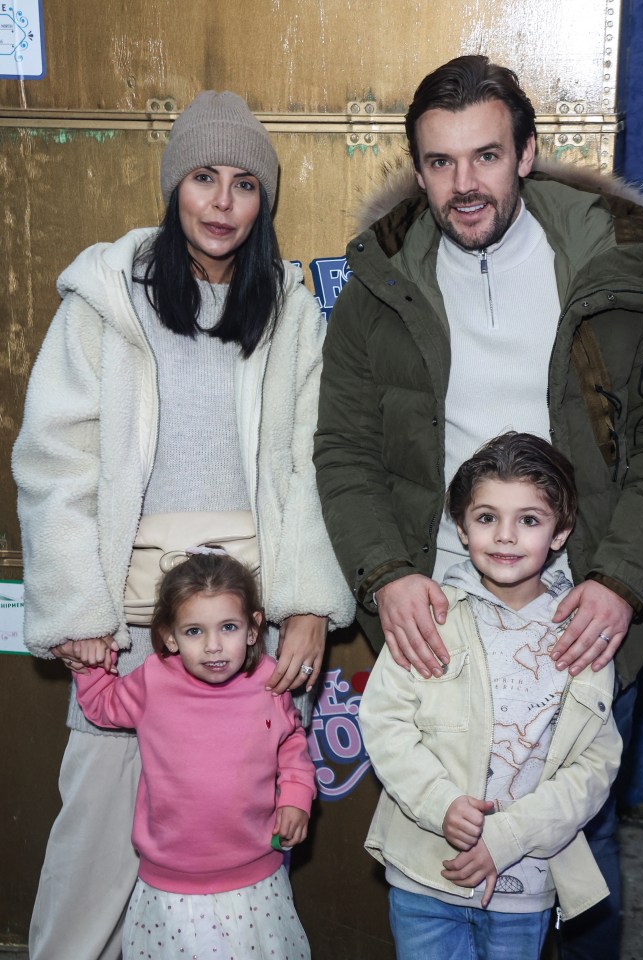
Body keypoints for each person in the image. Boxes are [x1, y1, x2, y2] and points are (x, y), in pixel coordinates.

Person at [314, 55, 643, 957]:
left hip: (583, 610)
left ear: (527, 152)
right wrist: (386, 578)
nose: (465, 185)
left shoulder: (619, 267)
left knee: (572, 843)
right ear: (417, 169)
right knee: (436, 842)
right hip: (436, 616)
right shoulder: (380, 283)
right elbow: (344, 450)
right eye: (442, 161)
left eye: (487, 156)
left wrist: (621, 583)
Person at [13, 90, 355, 960]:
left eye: (244, 184)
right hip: (125, 617)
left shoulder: (289, 309)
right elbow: (56, 460)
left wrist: (309, 601)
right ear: (175, 186)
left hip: (246, 625)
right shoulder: (107, 297)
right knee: (93, 838)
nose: (222, 202)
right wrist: (76, 606)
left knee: (233, 847)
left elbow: (307, 464)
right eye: (204, 177)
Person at [359, 433, 622, 960]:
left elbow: (596, 763)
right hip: (424, 874)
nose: (505, 537)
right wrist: (441, 803)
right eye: (486, 518)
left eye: (529, 519)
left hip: (522, 885)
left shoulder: (581, 634)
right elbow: (384, 720)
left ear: (560, 531)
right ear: (460, 525)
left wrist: (506, 839)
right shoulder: (429, 617)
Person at [75, 551, 315, 960]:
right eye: (193, 632)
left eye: (228, 627)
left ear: (253, 629)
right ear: (170, 637)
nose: (214, 646)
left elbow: (292, 742)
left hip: (256, 881)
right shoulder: (153, 679)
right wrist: (89, 656)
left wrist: (296, 798)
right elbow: (101, 704)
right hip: (172, 888)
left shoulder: (268, 682)